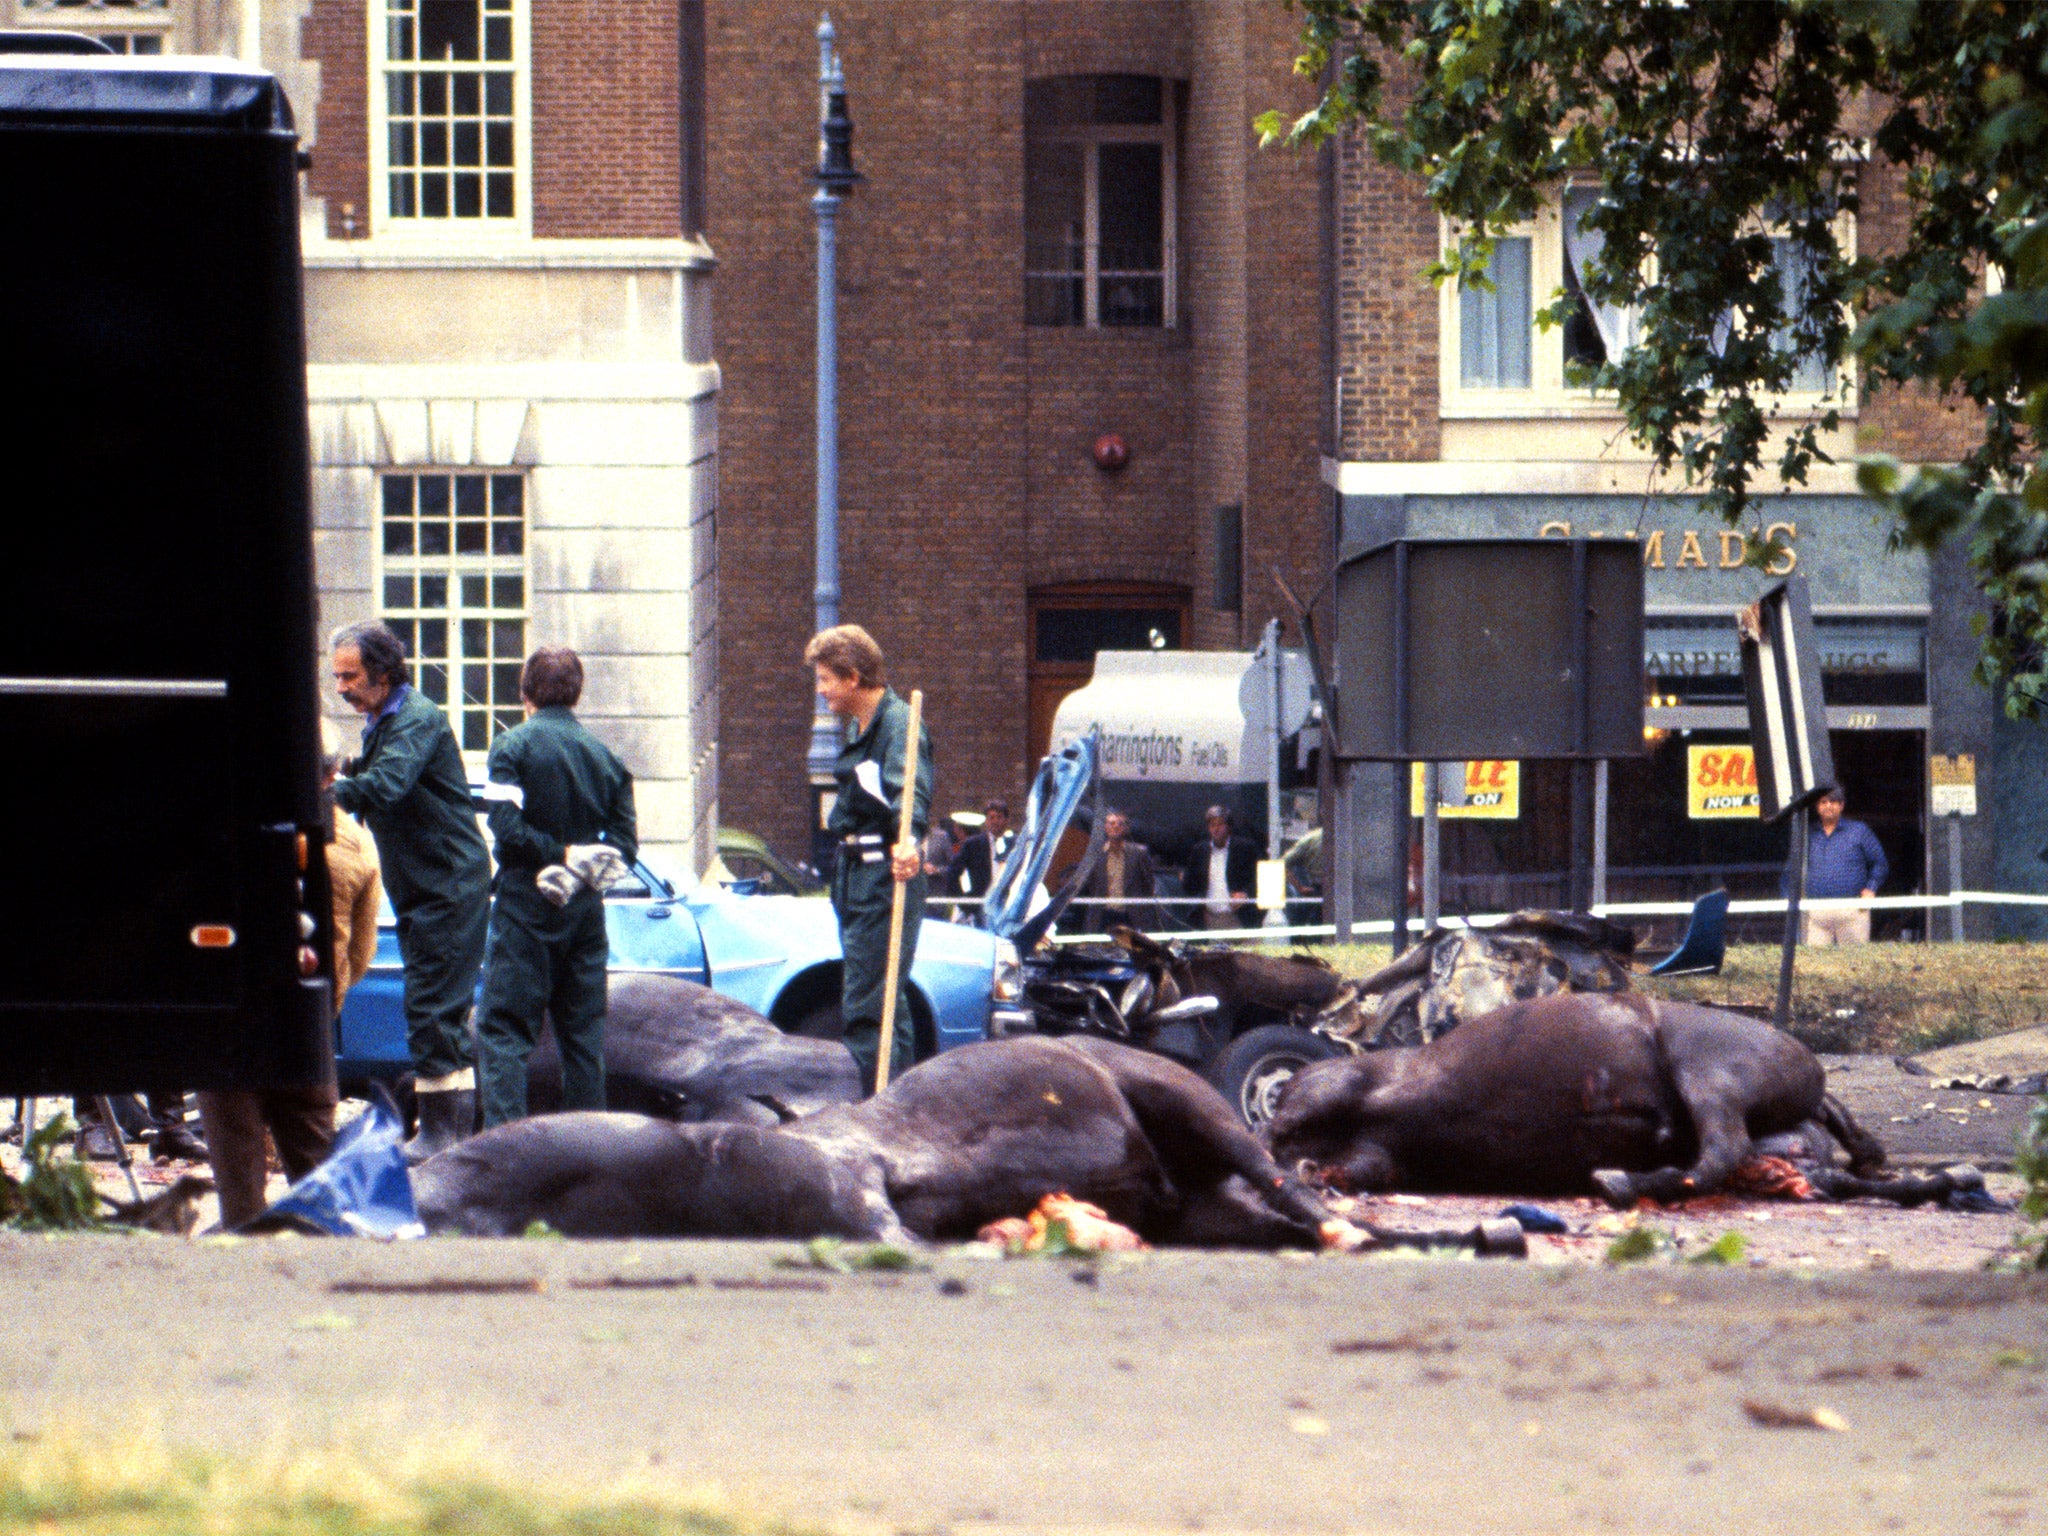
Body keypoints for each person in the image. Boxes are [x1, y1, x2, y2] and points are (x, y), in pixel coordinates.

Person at [195, 719, 378, 1229]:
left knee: (240, 1200)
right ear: (334, 774)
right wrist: (328, 1002)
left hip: (228, 1029)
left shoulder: (223, 831)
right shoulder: (355, 845)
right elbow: (360, 952)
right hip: (306, 1025)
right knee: (323, 1190)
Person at [329, 619, 491, 1163]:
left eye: (350, 676)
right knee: (430, 1006)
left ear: (380, 672)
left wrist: (319, 795)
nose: (341, 688)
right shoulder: (385, 719)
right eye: (337, 677)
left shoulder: (416, 719)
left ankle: (448, 1138)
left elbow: (386, 785)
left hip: (446, 887)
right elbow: (370, 774)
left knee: (434, 1010)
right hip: (427, 888)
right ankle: (447, 1133)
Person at [474, 647, 638, 1130]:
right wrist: (579, 868)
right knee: (583, 1040)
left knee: (504, 1032)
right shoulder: (608, 760)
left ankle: (509, 1153)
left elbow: (504, 826)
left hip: (526, 904)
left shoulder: (510, 748)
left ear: (524, 693)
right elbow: (625, 847)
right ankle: (586, 1154)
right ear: (577, 693)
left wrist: (558, 856)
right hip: (586, 912)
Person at [806, 624, 930, 1088]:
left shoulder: (899, 725)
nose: (821, 691)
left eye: (825, 680)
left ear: (852, 677)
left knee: (866, 1008)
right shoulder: (863, 725)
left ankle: (868, 1118)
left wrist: (910, 842)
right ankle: (896, 1104)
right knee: (885, 1004)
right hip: (855, 875)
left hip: (883, 878)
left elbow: (910, 789)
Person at [1798, 787, 1887, 946]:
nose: (1828, 806)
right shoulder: (1807, 833)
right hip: (1816, 913)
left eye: (1833, 802)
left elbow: (1880, 863)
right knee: (1815, 965)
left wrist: (1871, 888)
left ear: (1842, 805)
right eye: (1823, 802)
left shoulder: (1859, 831)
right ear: (1817, 807)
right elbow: (1793, 867)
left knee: (1854, 964)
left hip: (1852, 911)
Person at [1072, 809, 1160, 934]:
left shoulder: (1139, 853)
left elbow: (1148, 883)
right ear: (1105, 827)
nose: (1116, 827)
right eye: (1111, 823)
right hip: (1103, 913)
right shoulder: (1095, 853)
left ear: (1127, 828)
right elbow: (1088, 882)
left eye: (1120, 824)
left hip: (1132, 914)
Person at [1181, 805, 1258, 929]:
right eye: (1212, 825)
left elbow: (1259, 879)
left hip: (1240, 918)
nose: (1215, 829)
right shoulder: (1200, 851)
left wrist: (1246, 894)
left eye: (1220, 824)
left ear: (1229, 826)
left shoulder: (1244, 848)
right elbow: (1190, 886)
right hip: (1211, 919)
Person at [945, 797, 1012, 911]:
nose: (995, 822)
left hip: (1008, 906)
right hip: (980, 906)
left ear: (1006, 820)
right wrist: (964, 903)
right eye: (991, 818)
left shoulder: (1014, 844)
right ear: (986, 821)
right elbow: (952, 874)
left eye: (999, 817)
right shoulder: (973, 844)